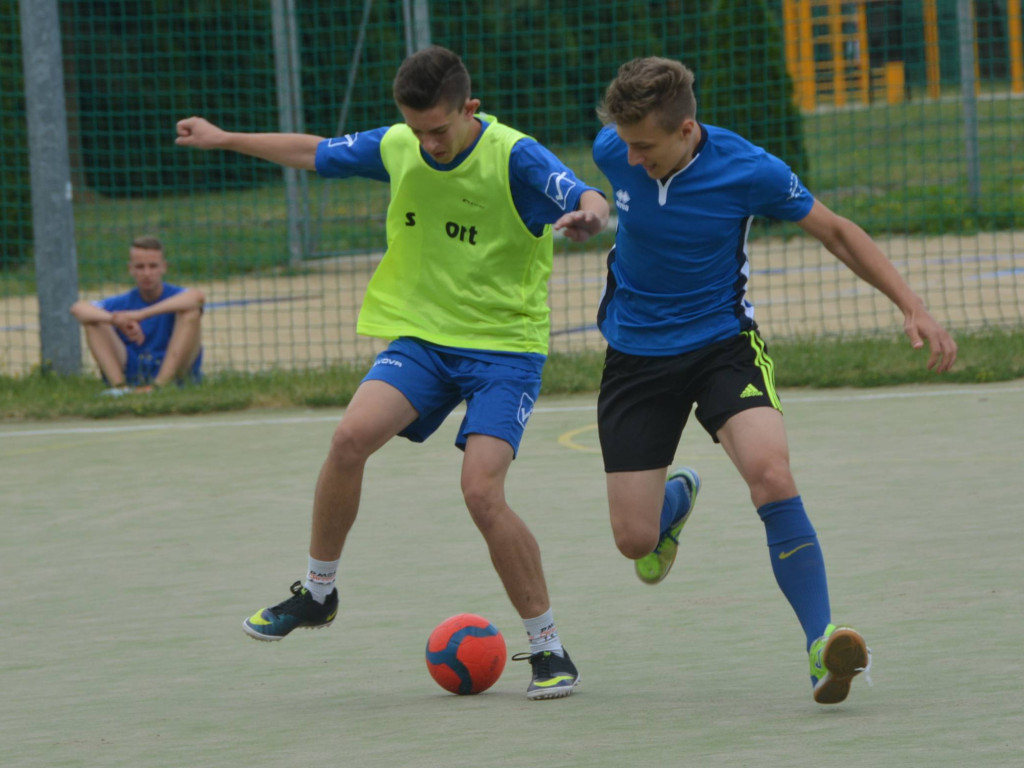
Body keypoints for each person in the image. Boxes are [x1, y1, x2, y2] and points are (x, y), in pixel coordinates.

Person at [175, 45, 608, 700]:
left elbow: (584, 192)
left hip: (504, 349)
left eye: (440, 129)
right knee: (349, 439)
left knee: (480, 492)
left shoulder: (513, 156)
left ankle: (547, 644)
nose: (429, 143)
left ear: (471, 109)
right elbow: (312, 151)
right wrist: (224, 137)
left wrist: (588, 215)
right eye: (416, 130)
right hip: (422, 339)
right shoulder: (400, 144)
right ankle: (318, 594)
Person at [591, 57, 957, 705]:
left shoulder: (747, 170)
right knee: (632, 541)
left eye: (645, 145)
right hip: (636, 358)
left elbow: (838, 233)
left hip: (720, 345)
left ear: (686, 129)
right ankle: (673, 505)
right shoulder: (616, 149)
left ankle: (822, 646)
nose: (632, 157)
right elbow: (585, 176)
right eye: (625, 143)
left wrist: (913, 306)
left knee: (771, 474)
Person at [69, 235, 205, 394]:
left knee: (191, 313)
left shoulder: (176, 295)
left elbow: (198, 298)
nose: (147, 273)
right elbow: (78, 308)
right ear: (130, 269)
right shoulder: (123, 302)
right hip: (134, 366)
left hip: (177, 369)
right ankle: (120, 389)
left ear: (164, 267)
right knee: (93, 321)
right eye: (140, 267)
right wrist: (116, 319)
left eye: (153, 266)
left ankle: (160, 386)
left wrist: (141, 314)